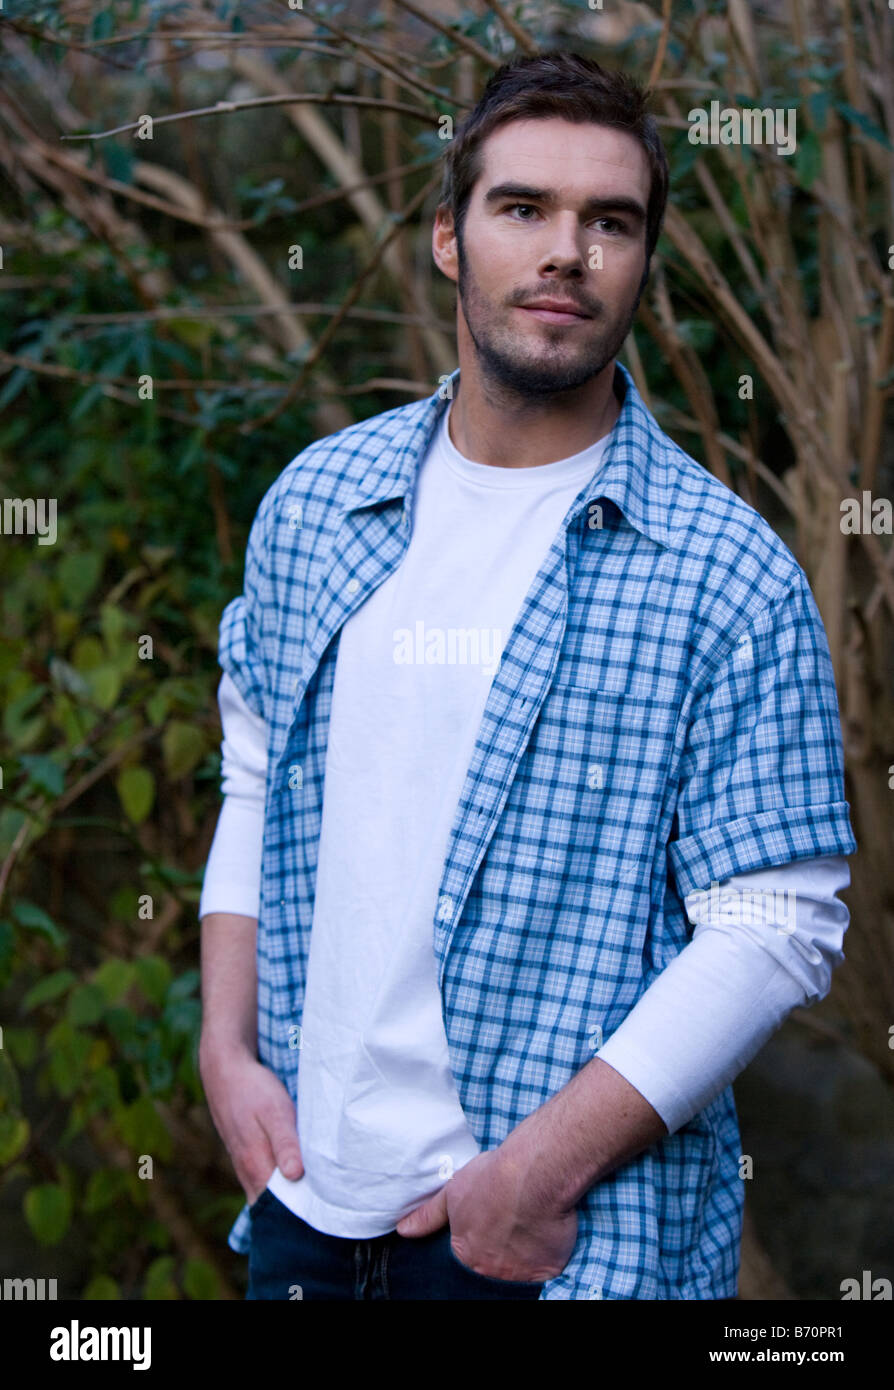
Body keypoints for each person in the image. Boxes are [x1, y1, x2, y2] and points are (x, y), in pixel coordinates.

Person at [198, 50, 856, 1300]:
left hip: (554, 1247)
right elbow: (253, 770)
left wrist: (534, 1177)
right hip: (302, 1211)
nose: (568, 251)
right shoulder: (319, 507)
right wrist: (228, 1051)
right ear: (450, 238)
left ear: (643, 259)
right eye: (524, 209)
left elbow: (774, 920)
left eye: (610, 221)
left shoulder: (728, 574)